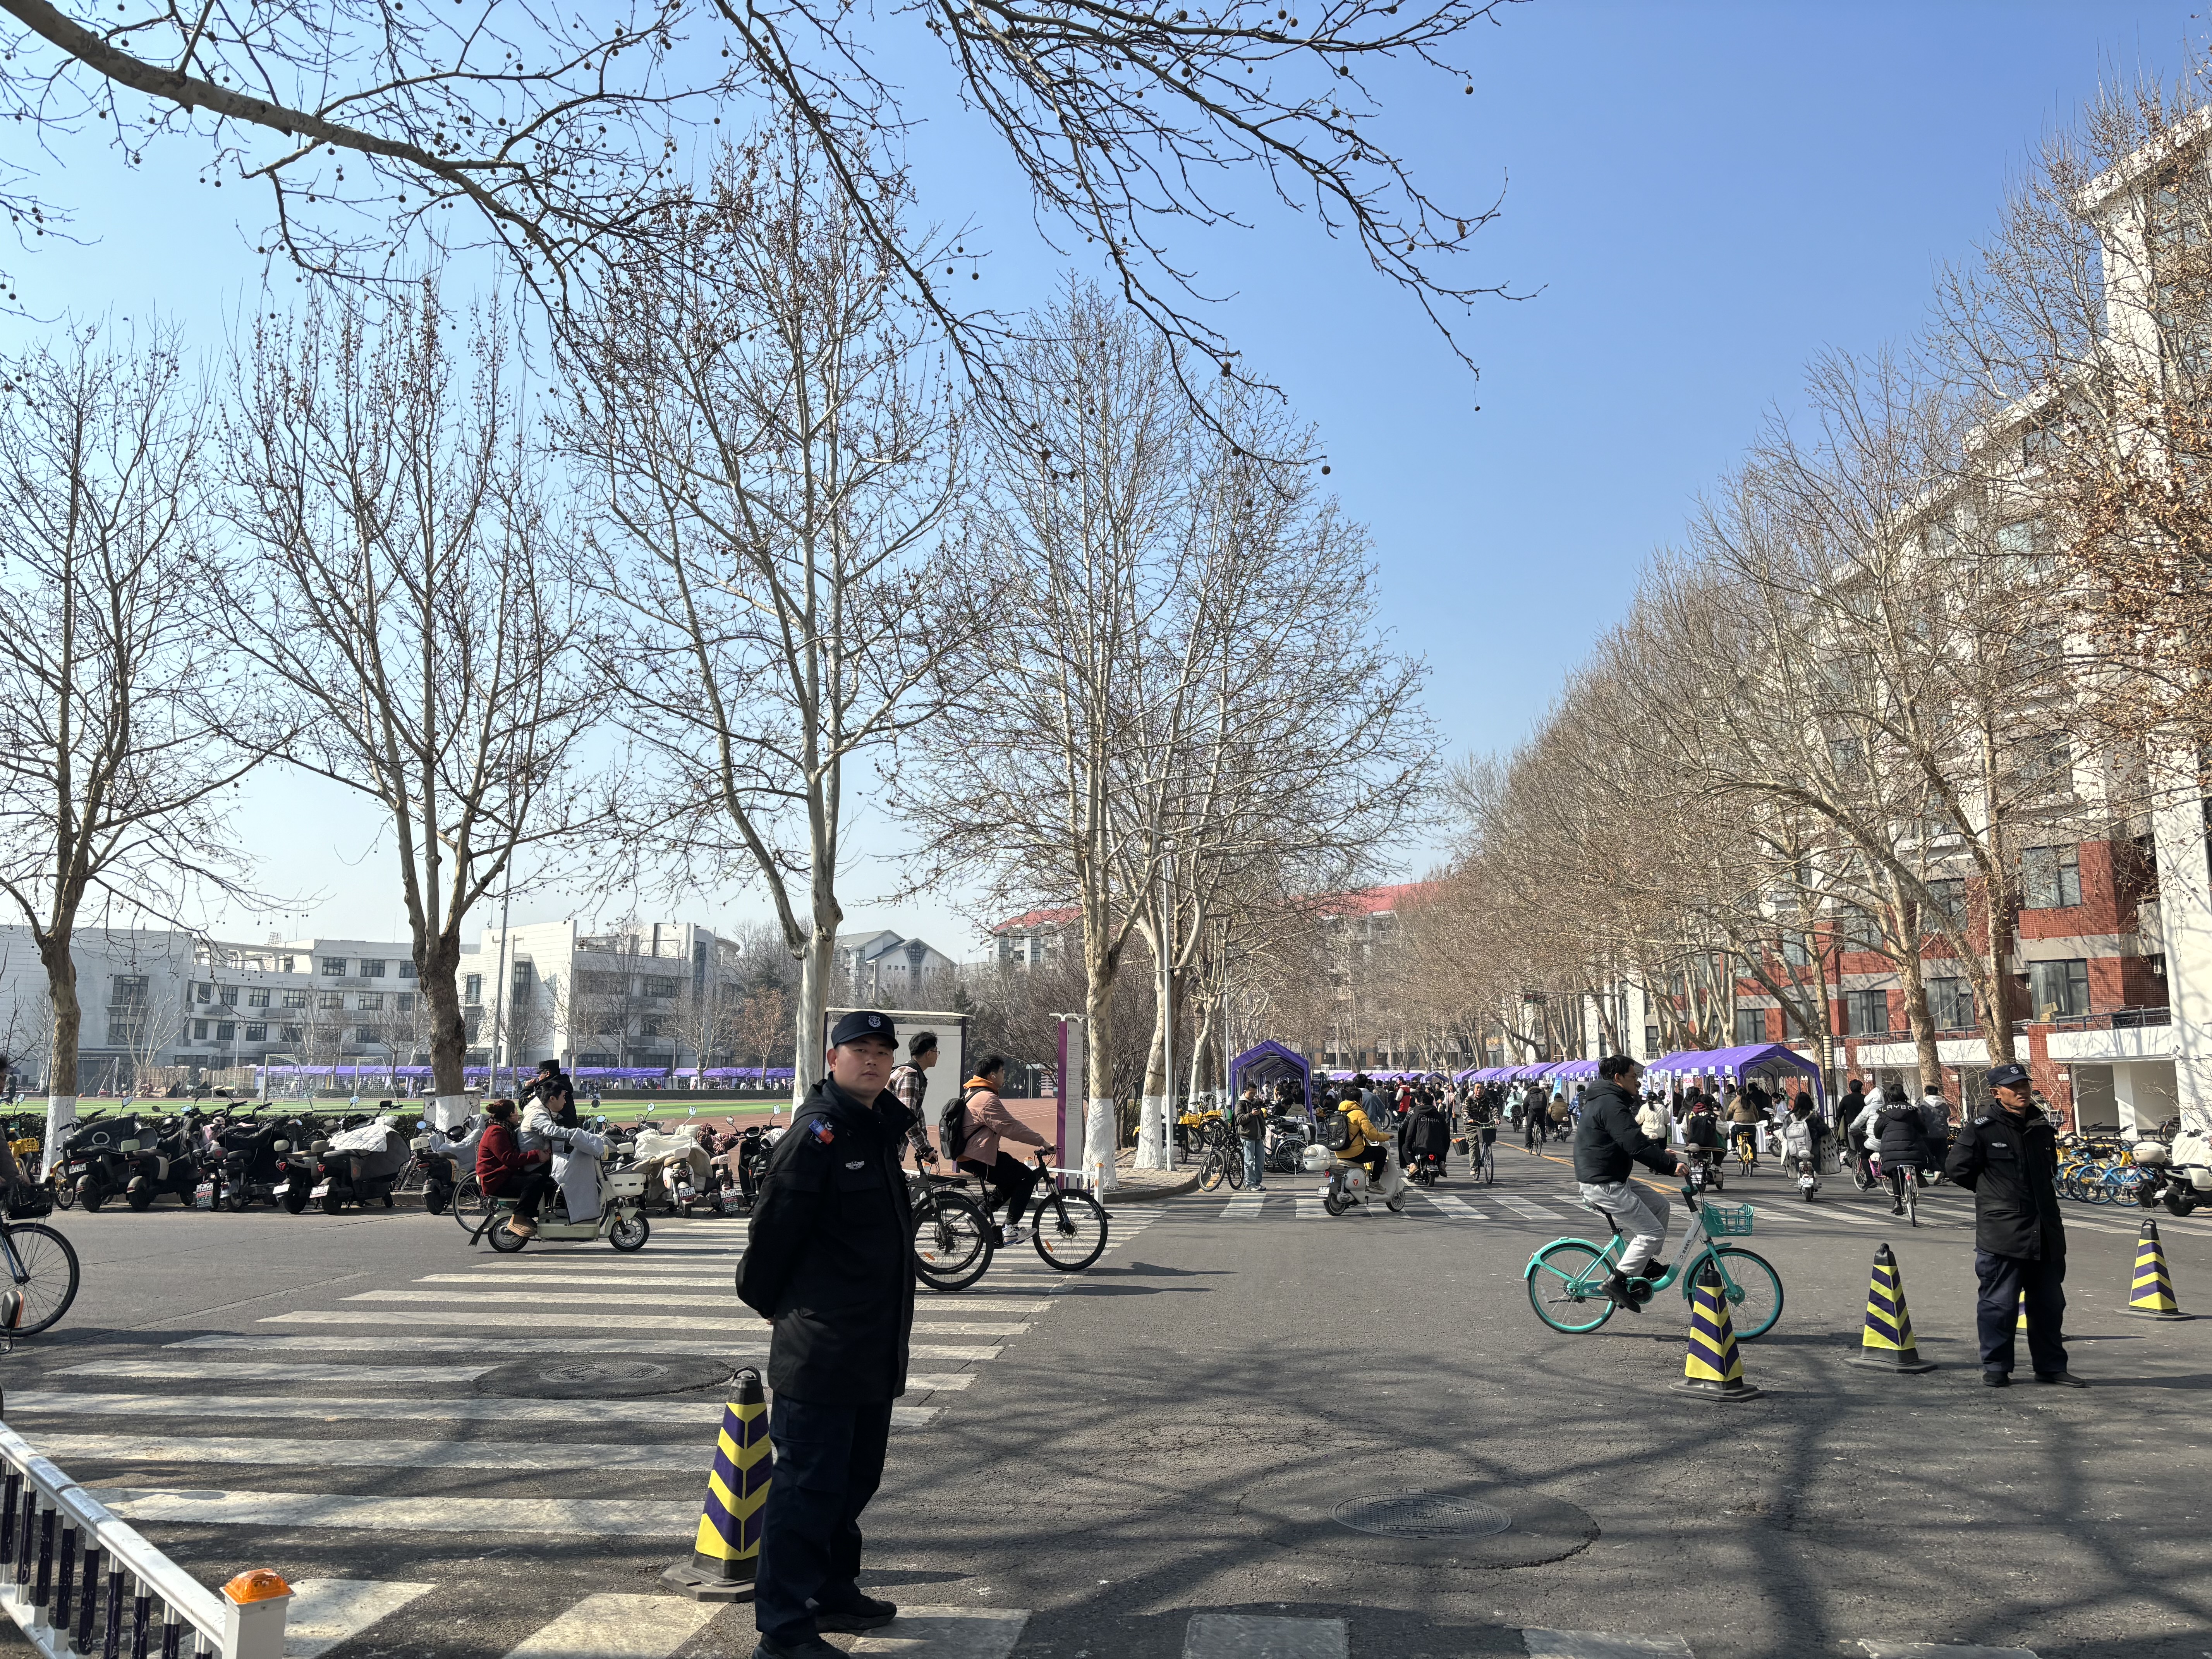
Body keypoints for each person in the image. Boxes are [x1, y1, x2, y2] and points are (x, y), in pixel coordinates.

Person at [738, 1009, 919, 1657]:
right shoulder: (818, 1133)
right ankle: (784, 1629)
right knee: (808, 1485)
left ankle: (831, 1588)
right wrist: (769, 1301)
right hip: (820, 1345)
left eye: (880, 1050)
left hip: (872, 1343)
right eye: (858, 1049)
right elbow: (773, 1230)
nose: (871, 1060)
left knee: (853, 1478)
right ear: (832, 1057)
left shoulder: (874, 1127)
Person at [1945, 1061, 2081, 1388]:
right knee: (1999, 1306)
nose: (2022, 1092)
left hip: (2045, 1233)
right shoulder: (1982, 1129)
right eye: (2014, 1087)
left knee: (2049, 1305)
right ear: (1997, 1093)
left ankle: (2050, 1367)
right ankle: (1996, 1367)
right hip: (2003, 1233)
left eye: (2025, 1086)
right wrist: (1994, 1193)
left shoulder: (2041, 1128)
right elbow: (1957, 1168)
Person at [1572, 1055, 1695, 1311]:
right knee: (1652, 1233)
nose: (1638, 1082)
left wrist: (1661, 1155)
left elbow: (1629, 1140)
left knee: (1660, 1205)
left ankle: (1644, 1264)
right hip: (1603, 1183)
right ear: (1618, 1078)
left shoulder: (1610, 1100)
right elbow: (1632, 1143)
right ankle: (1616, 1282)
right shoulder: (1610, 1104)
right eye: (1633, 1077)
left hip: (1612, 1178)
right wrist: (1670, 1166)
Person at [952, 1055, 1049, 1246]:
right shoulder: (986, 1099)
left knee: (1011, 1179)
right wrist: (1042, 1142)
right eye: (1003, 1072)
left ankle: (979, 1213)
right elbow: (1011, 1127)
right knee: (1026, 1177)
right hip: (977, 1156)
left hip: (973, 1155)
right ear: (992, 1075)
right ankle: (1010, 1229)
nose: (1005, 1075)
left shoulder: (974, 1093)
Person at [474, 1098, 554, 1234]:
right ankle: (519, 1218)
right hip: (496, 1180)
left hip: (505, 1175)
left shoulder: (506, 1129)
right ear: (511, 1115)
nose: (518, 1114)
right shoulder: (496, 1132)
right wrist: (537, 1156)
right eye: (516, 1111)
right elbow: (509, 1158)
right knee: (536, 1180)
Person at [885, 1031, 943, 1171]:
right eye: (937, 1052)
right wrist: (924, 1149)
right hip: (886, 1147)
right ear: (929, 1053)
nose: (937, 1056)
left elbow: (917, 1114)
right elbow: (906, 1118)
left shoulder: (905, 1070)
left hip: (886, 1145)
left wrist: (926, 1148)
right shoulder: (910, 1075)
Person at [1874, 1083, 1929, 1215]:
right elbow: (1922, 1129)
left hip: (1891, 1150)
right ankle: (1919, 1173)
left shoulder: (1884, 1112)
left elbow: (1877, 1132)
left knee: (1894, 1172)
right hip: (1912, 1149)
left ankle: (1897, 1202)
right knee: (1918, 1157)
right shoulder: (1912, 1110)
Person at [1234, 1085, 1268, 1191]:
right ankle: (1250, 1184)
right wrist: (1251, 1114)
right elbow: (1240, 1120)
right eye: (1251, 1093)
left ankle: (1257, 1183)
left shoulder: (1254, 1102)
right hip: (1247, 1136)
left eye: (1255, 1093)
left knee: (1260, 1161)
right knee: (1249, 1161)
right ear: (1246, 1091)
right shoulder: (1241, 1104)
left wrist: (1263, 1132)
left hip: (1258, 1136)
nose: (1253, 1095)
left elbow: (1261, 1119)